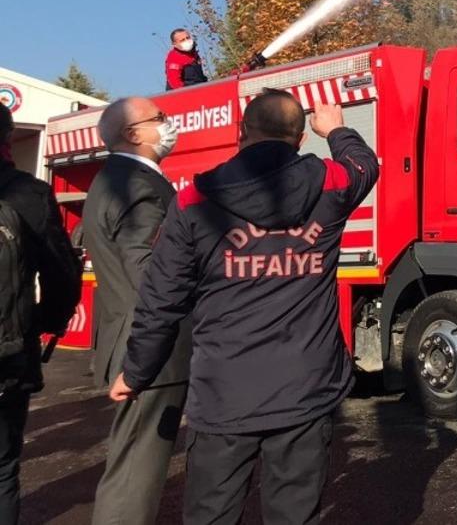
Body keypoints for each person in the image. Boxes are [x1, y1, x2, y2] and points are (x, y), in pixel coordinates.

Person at [110, 91, 378, 525]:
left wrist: (137, 372)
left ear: (241, 132)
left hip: (224, 393)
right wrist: (337, 129)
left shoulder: (195, 199)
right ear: (299, 138)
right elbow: (364, 165)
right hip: (304, 390)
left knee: (211, 515)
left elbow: (163, 299)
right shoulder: (328, 184)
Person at [83, 97, 190, 525]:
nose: (169, 124)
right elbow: (150, 271)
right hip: (153, 350)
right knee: (135, 471)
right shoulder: (138, 187)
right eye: (159, 118)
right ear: (133, 134)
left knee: (135, 461)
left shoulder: (113, 180)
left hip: (136, 340)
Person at [0, 103, 81, 525]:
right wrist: (47, 321)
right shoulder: (29, 193)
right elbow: (60, 270)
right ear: (8, 138)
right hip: (7, 353)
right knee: (2, 469)